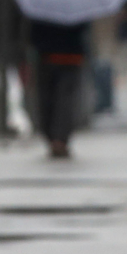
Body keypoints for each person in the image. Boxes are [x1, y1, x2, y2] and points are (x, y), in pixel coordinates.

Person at [29, 20, 87, 159]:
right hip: (70, 57)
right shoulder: (76, 10)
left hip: (48, 57)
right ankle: (60, 139)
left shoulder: (41, 10)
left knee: (48, 99)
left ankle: (53, 137)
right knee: (65, 100)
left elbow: (34, 35)